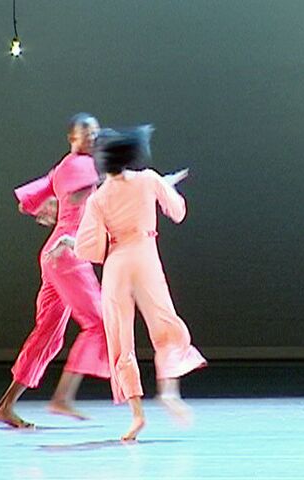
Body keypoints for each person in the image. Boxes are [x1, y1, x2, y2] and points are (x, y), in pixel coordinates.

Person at [74, 126, 206, 441]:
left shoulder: (99, 197)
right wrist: (164, 186)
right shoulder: (148, 178)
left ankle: (136, 416)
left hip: (118, 264)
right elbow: (177, 212)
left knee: (121, 339)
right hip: (145, 258)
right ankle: (169, 391)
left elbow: (87, 247)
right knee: (165, 325)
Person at [0, 113, 110, 428]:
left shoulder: (63, 168)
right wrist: (108, 182)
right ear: (72, 137)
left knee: (47, 335)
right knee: (100, 323)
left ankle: (5, 406)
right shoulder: (78, 165)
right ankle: (62, 398)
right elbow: (77, 193)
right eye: (87, 133)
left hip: (56, 255)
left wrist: (48, 209)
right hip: (68, 255)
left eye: (96, 132)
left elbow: (27, 202)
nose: (93, 137)